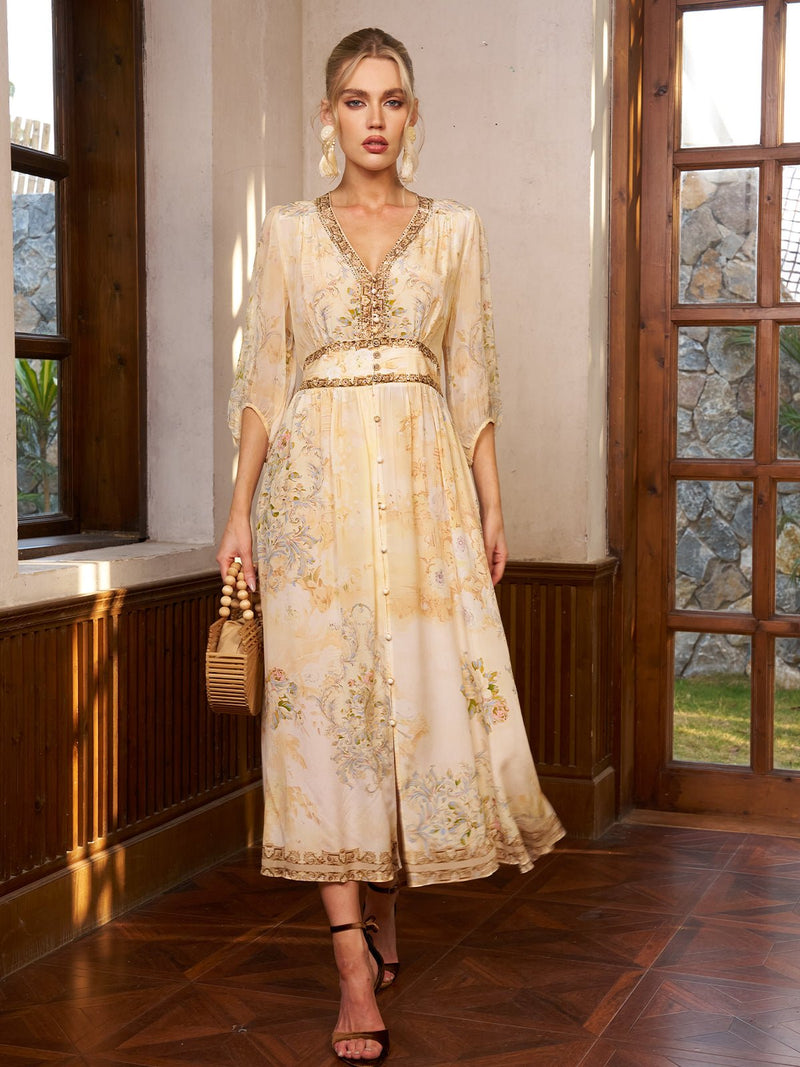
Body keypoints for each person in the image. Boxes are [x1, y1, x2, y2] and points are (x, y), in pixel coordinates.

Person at [216, 27, 564, 1066]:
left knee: (407, 706)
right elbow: (264, 381)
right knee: (323, 715)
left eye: (393, 99)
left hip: (422, 499)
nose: (374, 117)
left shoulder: (454, 230)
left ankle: (385, 896)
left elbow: (471, 377)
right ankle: (351, 967)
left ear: (413, 115)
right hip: (310, 505)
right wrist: (237, 511)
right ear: (327, 116)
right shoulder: (285, 233)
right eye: (355, 99)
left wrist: (492, 506)